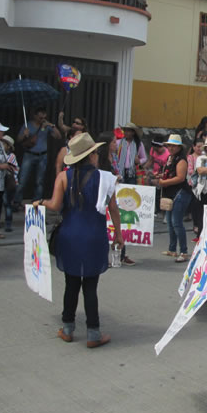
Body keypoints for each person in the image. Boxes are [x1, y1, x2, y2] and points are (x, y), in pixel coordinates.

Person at [34, 133, 121, 348]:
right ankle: (93, 333)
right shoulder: (106, 178)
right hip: (94, 235)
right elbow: (113, 209)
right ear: (91, 155)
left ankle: (67, 328)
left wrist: (40, 201)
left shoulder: (63, 177)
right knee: (90, 285)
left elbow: (54, 205)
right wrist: (119, 234)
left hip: (70, 235)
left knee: (71, 283)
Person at [12, 107, 61, 210]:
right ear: (35, 116)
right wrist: (24, 135)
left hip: (42, 156)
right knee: (22, 180)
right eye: (39, 117)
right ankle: (16, 201)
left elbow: (58, 136)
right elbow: (18, 139)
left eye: (43, 117)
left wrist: (51, 125)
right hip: (29, 154)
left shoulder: (46, 126)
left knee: (40, 181)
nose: (41, 119)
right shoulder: (28, 125)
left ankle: (36, 201)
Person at [153, 134, 190, 262]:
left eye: (173, 146)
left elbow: (180, 178)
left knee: (176, 223)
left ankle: (184, 251)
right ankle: (172, 249)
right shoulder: (171, 158)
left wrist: (164, 182)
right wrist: (161, 175)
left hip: (181, 193)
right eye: (169, 145)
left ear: (179, 147)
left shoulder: (181, 160)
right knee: (170, 222)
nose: (171, 148)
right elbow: (170, 173)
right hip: (171, 194)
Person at [1, 135, 19, 232]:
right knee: (1, 203)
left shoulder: (11, 156)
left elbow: (6, 165)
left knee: (7, 203)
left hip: (9, 184)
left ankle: (8, 223)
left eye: (3, 144)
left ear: (8, 146)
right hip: (1, 183)